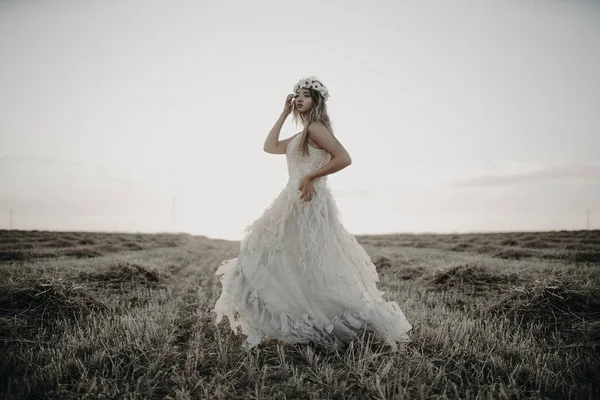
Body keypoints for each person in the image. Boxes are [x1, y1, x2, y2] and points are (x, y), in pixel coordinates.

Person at [213, 76, 411, 351]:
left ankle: (331, 320)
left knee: (309, 261)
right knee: (285, 257)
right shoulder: (301, 135)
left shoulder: (317, 128)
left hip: (309, 201)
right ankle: (300, 316)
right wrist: (283, 113)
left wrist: (311, 177)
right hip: (291, 200)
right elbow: (269, 147)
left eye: (304, 95)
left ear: (316, 100)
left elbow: (344, 158)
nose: (298, 99)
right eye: (296, 95)